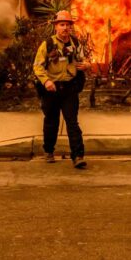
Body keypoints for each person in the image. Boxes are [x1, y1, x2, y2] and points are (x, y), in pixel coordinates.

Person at [33, 10, 90, 168]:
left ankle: (78, 156)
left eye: (68, 25)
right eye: (62, 24)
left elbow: (83, 60)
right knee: (51, 121)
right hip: (51, 90)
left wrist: (86, 65)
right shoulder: (48, 44)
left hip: (69, 89)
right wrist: (46, 82)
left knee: (72, 123)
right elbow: (37, 67)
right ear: (56, 27)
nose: (65, 28)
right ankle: (49, 151)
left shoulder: (75, 44)